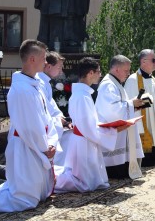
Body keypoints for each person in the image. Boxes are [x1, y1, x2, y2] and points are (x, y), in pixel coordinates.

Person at [0, 40, 58, 212]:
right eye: (43, 58)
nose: (46, 62)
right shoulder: (21, 89)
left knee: (37, 194)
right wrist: (45, 148)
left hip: (39, 144)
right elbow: (30, 126)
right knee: (23, 199)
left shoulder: (36, 84)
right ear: (32, 59)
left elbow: (47, 117)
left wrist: (52, 141)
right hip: (26, 146)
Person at [55, 58, 131, 193]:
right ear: (90, 73)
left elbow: (89, 123)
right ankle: (52, 179)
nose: (100, 75)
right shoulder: (82, 96)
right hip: (83, 141)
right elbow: (88, 127)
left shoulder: (83, 94)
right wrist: (112, 131)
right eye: (98, 72)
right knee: (84, 182)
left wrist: (108, 128)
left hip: (84, 139)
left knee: (91, 179)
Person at [95, 55, 145, 179]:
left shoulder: (115, 83)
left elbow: (120, 104)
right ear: (116, 69)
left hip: (120, 130)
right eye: (126, 70)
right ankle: (115, 171)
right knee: (115, 165)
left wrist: (133, 106)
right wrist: (131, 104)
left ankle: (123, 170)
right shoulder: (108, 85)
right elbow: (112, 110)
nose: (128, 73)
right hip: (111, 129)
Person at [124, 49, 155, 166]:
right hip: (142, 117)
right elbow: (129, 103)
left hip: (154, 115)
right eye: (153, 60)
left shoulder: (153, 79)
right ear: (144, 61)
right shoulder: (133, 80)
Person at [38, 51, 71, 167]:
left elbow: (53, 107)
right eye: (59, 67)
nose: (61, 71)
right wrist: (59, 121)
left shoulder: (45, 82)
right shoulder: (40, 83)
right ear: (48, 67)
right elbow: (45, 110)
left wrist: (63, 119)